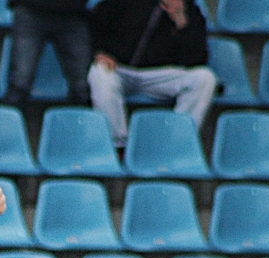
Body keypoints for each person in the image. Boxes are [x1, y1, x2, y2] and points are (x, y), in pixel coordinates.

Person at [87, 0, 216, 150]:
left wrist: (180, 20)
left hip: (161, 74)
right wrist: (99, 52)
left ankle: (175, 145)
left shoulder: (189, 9)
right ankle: (117, 145)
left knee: (205, 78)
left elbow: (197, 60)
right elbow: (92, 28)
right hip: (120, 69)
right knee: (99, 73)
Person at [3, 0, 91, 107]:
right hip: (30, 11)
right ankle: (10, 122)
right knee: (20, 82)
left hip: (73, 14)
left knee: (83, 85)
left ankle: (78, 121)